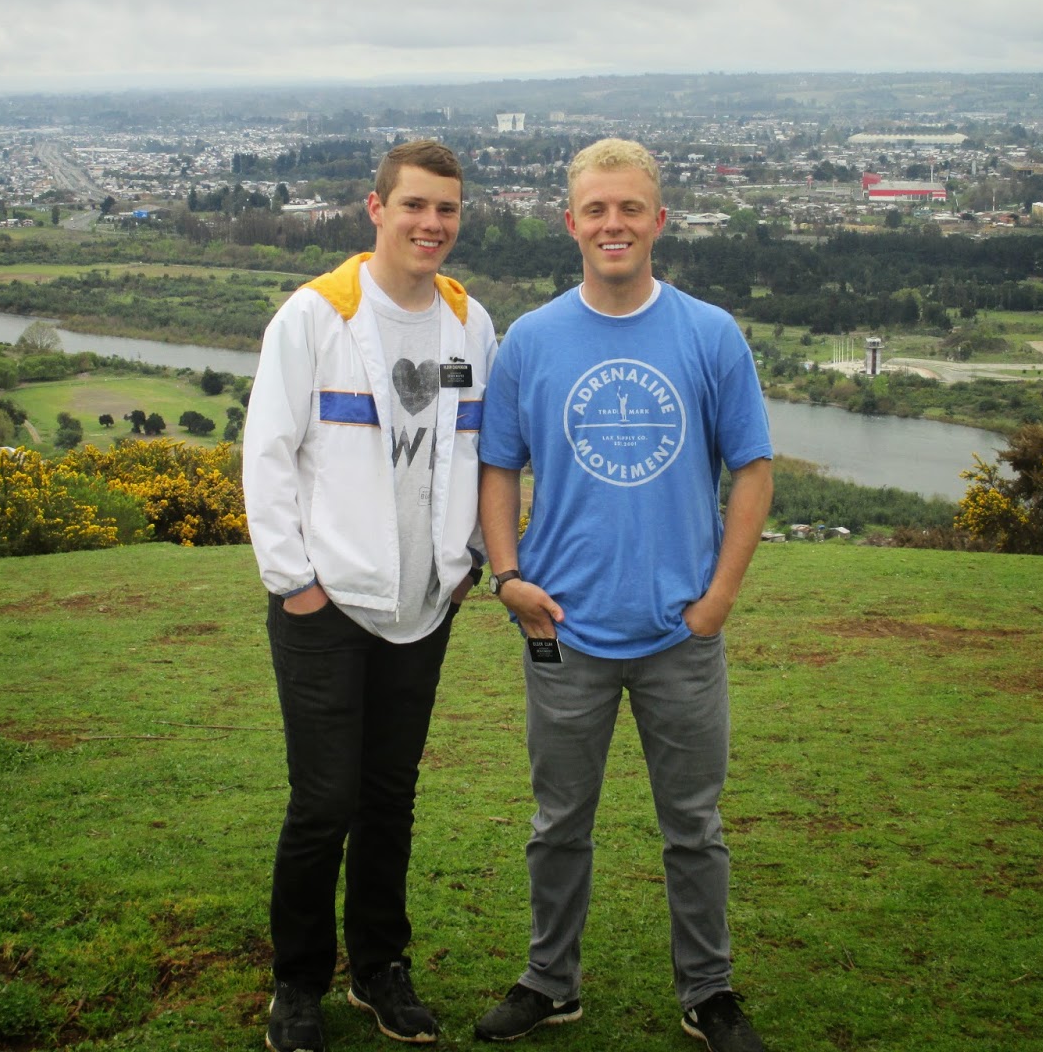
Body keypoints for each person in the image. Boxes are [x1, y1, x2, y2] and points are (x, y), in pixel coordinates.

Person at [473, 139, 774, 1051]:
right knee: (558, 823)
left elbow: (753, 469)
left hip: (681, 633)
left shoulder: (709, 334)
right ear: (570, 223)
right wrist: (508, 577)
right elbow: (499, 467)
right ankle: (549, 981)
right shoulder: (531, 340)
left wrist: (718, 600)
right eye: (597, 210)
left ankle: (708, 991)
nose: (614, 224)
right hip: (563, 629)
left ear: (658, 221)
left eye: (630, 209)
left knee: (694, 828)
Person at [243, 138, 498, 1051]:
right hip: (328, 604)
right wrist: (296, 585)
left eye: (447, 209)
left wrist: (468, 563)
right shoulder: (316, 316)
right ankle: (298, 983)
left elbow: (486, 450)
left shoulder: (471, 323)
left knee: (391, 796)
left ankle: (380, 968)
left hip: (423, 606)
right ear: (376, 208)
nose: (432, 224)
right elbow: (267, 455)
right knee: (324, 803)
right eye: (415, 205)